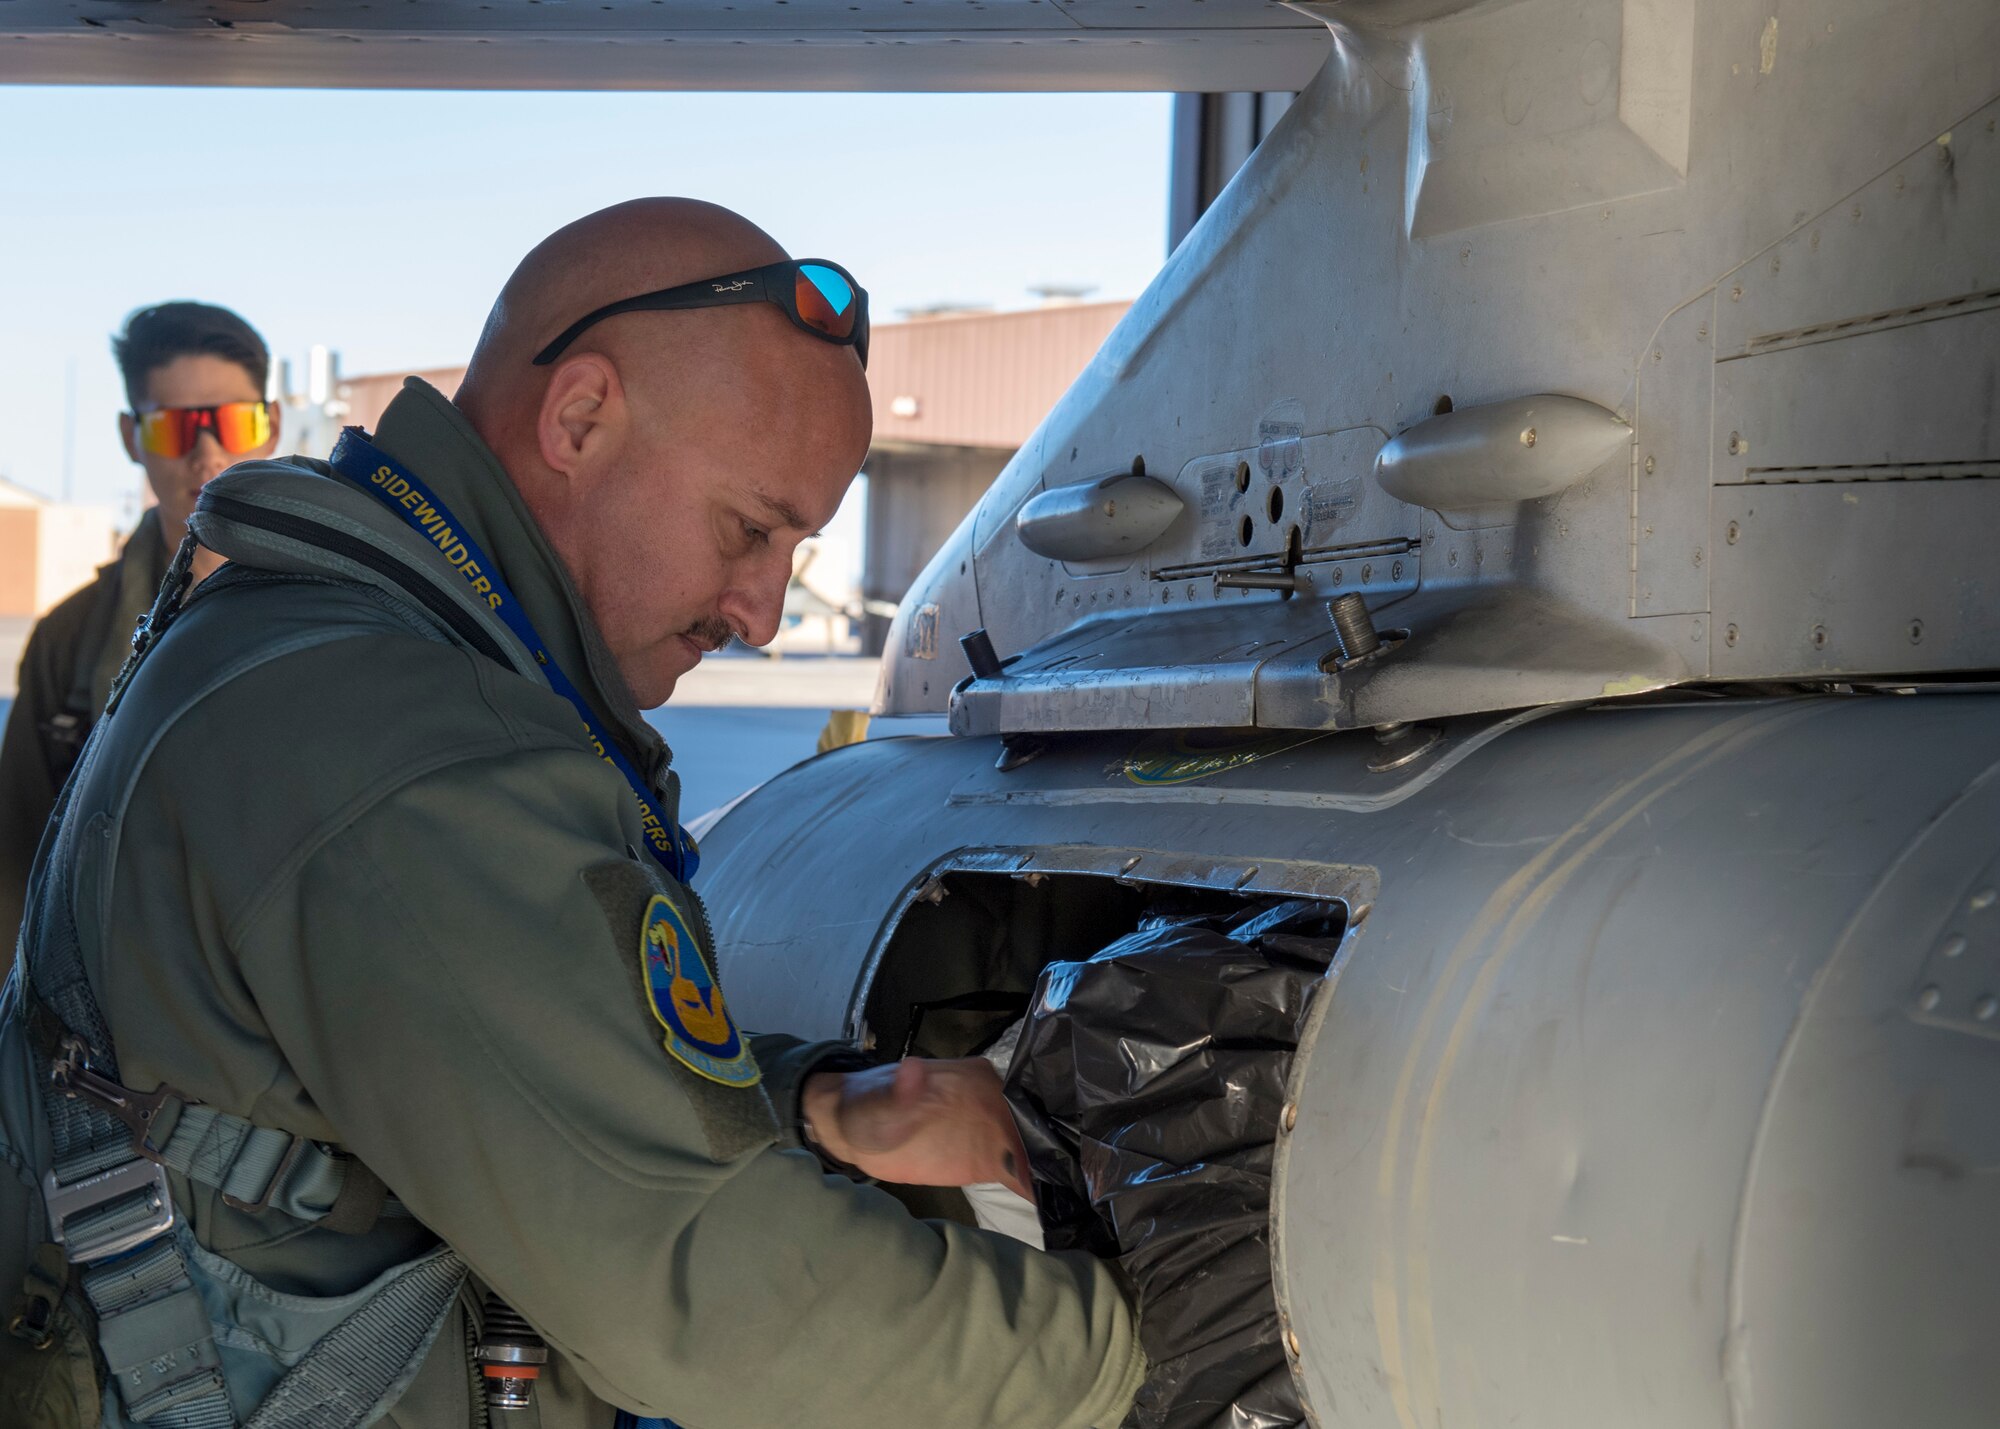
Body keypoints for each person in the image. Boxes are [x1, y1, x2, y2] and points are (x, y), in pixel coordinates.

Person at [0, 201, 1144, 1429]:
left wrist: (805, 1101)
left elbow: (493, 1051)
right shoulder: (408, 746)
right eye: (748, 529)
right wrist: (1137, 1344)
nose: (761, 609)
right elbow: (707, 1297)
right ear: (579, 418)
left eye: (793, 551)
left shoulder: (342, 647)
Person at [0, 302, 280, 959]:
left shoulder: (353, 609)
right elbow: (16, 866)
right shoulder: (70, 643)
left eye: (233, 422)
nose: (206, 453)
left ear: (271, 427)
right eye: (174, 428)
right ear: (131, 437)